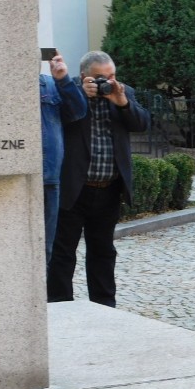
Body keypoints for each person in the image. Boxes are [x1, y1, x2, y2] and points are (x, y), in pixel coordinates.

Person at [47, 51, 150, 307]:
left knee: (103, 252)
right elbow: (65, 115)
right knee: (62, 253)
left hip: (108, 189)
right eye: (100, 78)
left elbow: (142, 123)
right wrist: (80, 93)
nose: (108, 82)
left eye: (112, 76)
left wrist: (123, 101)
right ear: (84, 76)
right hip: (74, 189)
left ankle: (105, 307)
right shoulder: (69, 92)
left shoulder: (122, 92)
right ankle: (61, 305)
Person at [40, 54, 88, 265]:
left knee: (45, 250)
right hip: (16, 176)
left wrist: (63, 79)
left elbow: (78, 111)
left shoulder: (50, 84)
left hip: (48, 180)